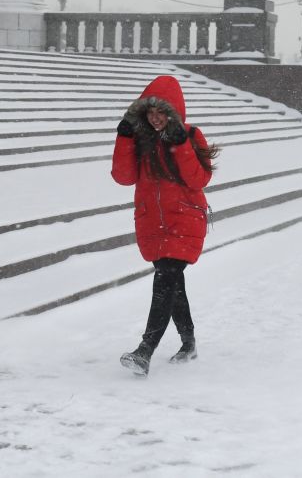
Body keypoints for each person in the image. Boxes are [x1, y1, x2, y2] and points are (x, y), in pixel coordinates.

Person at [111, 75, 220, 376]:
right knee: (172, 284)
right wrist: (124, 139)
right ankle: (189, 343)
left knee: (165, 279)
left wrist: (181, 144)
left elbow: (199, 180)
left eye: (162, 112)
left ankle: (145, 350)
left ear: (173, 112)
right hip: (153, 221)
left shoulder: (191, 135)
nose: (156, 118)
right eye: (151, 112)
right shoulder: (142, 140)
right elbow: (123, 177)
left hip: (184, 219)